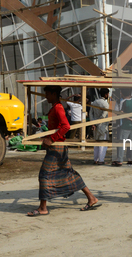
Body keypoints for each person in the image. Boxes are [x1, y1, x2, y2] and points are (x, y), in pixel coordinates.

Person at [27, 85, 101, 216]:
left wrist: (52, 139)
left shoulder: (58, 108)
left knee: (44, 175)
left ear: (54, 94)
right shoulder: (56, 107)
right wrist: (47, 137)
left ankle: (43, 208)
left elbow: (66, 126)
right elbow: (56, 127)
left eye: (48, 94)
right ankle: (91, 198)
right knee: (69, 173)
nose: (46, 97)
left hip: (57, 147)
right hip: (58, 146)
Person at [115, 94, 132, 166]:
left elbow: (119, 113)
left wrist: (130, 118)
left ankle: (120, 160)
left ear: (122, 92)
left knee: (121, 143)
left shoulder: (122, 101)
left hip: (124, 125)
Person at [91, 88, 110, 165]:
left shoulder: (94, 102)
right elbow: (103, 116)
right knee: (103, 144)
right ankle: (101, 160)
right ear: (106, 94)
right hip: (102, 126)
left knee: (96, 143)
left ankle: (96, 159)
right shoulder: (105, 104)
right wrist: (97, 123)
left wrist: (93, 123)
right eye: (108, 94)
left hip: (95, 126)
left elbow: (91, 113)